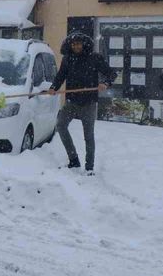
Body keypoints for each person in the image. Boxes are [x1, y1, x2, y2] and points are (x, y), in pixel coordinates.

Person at [46, 32, 116, 175]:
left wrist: (105, 83)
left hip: (89, 103)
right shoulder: (67, 59)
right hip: (72, 101)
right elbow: (61, 76)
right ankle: (74, 160)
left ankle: (89, 167)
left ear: (84, 44)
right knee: (61, 125)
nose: (76, 46)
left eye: (78, 43)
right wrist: (54, 87)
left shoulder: (94, 58)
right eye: (73, 44)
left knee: (88, 136)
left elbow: (111, 74)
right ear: (70, 45)